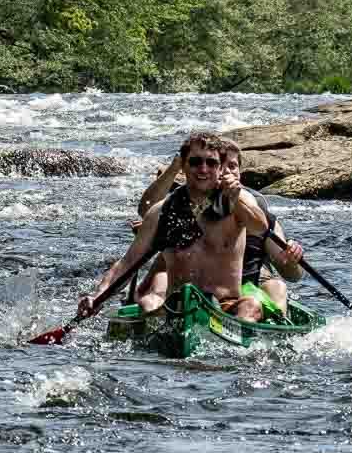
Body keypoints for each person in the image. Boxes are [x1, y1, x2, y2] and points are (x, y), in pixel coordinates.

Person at [79, 131, 272, 322]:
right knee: (148, 304)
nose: (203, 169)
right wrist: (97, 296)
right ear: (183, 166)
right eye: (195, 162)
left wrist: (237, 199)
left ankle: (239, 335)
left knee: (251, 306)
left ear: (221, 168)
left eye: (211, 163)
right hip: (178, 306)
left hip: (225, 305)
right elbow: (127, 263)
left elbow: (260, 228)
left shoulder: (237, 200)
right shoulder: (161, 212)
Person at [220, 139, 304, 314]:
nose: (226, 171)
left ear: (239, 172)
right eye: (220, 165)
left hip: (251, 284)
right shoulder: (191, 203)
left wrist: (291, 260)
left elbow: (293, 275)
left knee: (276, 287)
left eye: (232, 166)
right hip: (209, 285)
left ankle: (276, 322)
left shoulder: (258, 208)